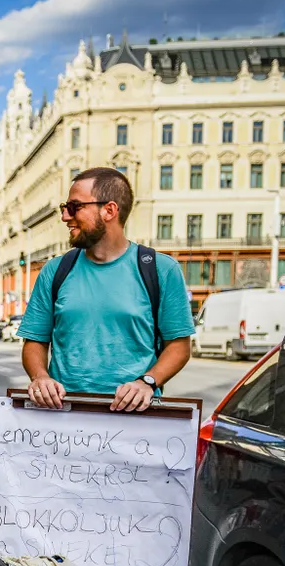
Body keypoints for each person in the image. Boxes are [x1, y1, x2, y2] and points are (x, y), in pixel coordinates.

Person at [19, 167, 194, 411]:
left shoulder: (161, 270)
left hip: (135, 419)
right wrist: (40, 377)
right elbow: (35, 341)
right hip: (63, 416)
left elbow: (179, 346)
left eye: (74, 207)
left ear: (109, 210)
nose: (65, 217)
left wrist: (147, 382)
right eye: (64, 208)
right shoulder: (55, 270)